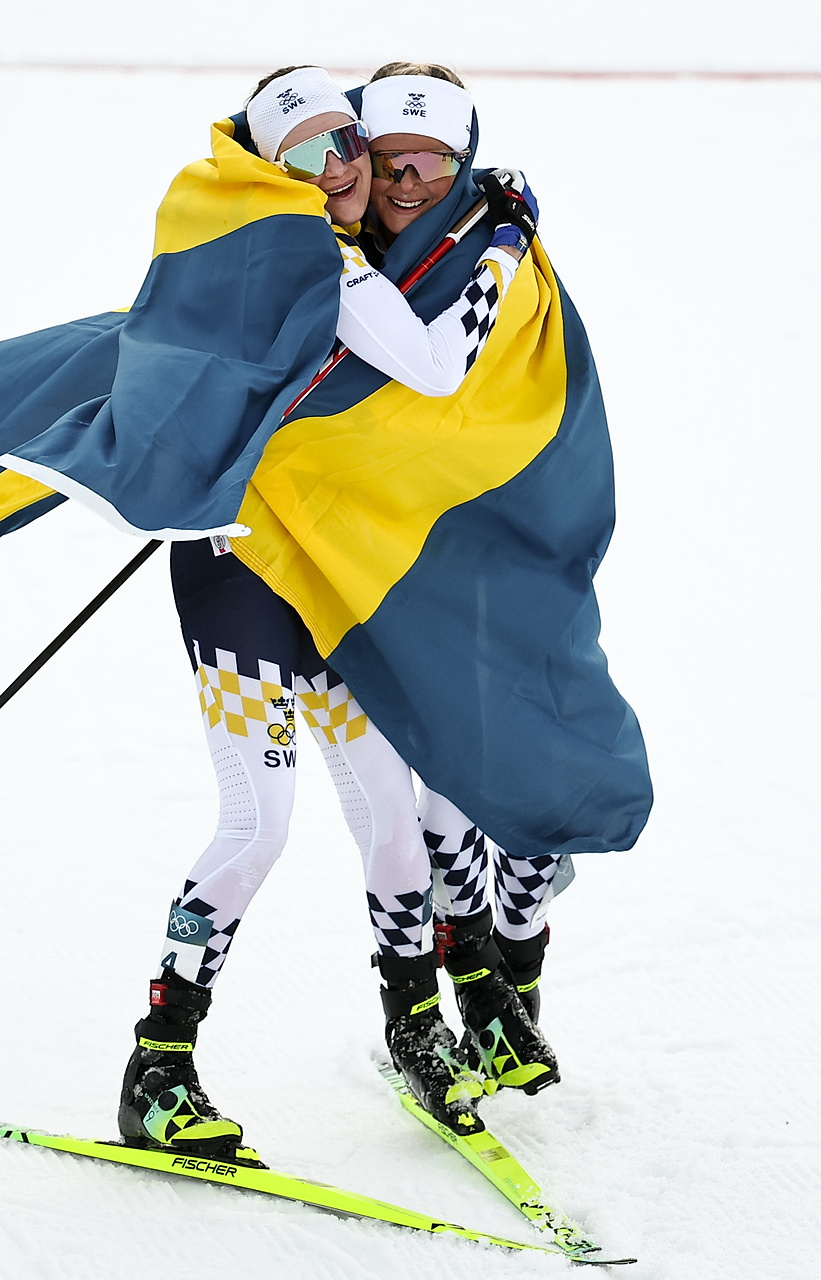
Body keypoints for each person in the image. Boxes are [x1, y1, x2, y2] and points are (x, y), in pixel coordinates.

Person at [116, 66, 540, 1161]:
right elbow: (443, 364)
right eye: (307, 155)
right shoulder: (316, 258)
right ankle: (157, 1064)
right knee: (258, 822)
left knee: (390, 818)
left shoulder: (322, 248)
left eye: (346, 138)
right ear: (273, 172)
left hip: (325, 575)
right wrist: (499, 243)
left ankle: (413, 1030)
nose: (342, 166)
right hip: (242, 577)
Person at [351, 62, 568, 1099]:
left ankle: (506, 985)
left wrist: (510, 243)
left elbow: (477, 368)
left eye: (429, 160)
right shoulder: (340, 239)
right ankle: (435, 1012)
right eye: (391, 159)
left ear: (461, 157)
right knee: (406, 795)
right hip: (364, 559)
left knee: (477, 785)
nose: (406, 180)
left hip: (472, 546)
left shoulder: (490, 246)